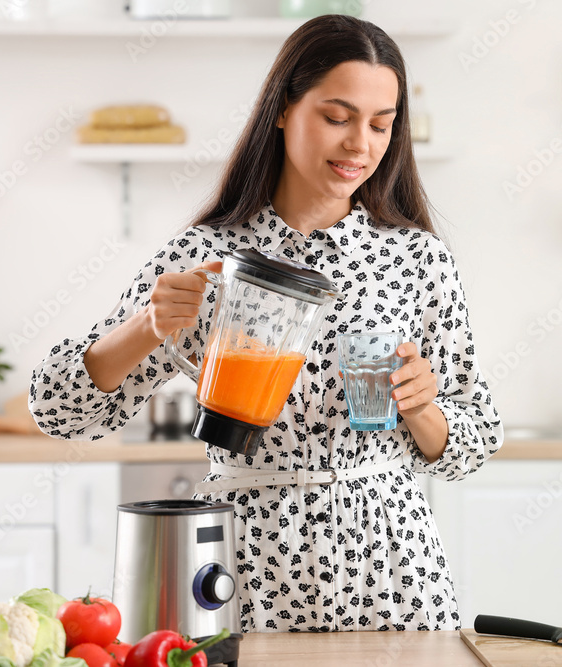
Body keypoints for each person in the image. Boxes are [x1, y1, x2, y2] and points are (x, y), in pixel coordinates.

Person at [30, 14, 503, 633]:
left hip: (391, 570)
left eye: (380, 125)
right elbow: (59, 411)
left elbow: (475, 442)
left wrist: (423, 410)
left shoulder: (417, 259)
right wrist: (146, 327)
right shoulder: (205, 259)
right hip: (246, 565)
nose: (360, 144)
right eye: (337, 117)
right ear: (283, 109)